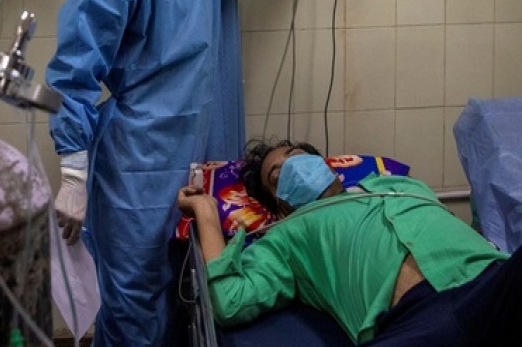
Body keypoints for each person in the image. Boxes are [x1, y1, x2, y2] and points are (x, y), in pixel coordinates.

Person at [46, 0, 365, 345]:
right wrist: (72, 173)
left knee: (179, 289)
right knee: (134, 304)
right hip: (135, 169)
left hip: (185, 155)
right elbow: (74, 72)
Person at [178, 140, 521, 346]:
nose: (293, 166)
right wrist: (206, 211)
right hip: (416, 320)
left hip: (487, 282)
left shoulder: (401, 184)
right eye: (277, 174)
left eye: (297, 155)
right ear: (279, 203)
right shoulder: (286, 234)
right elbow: (229, 302)